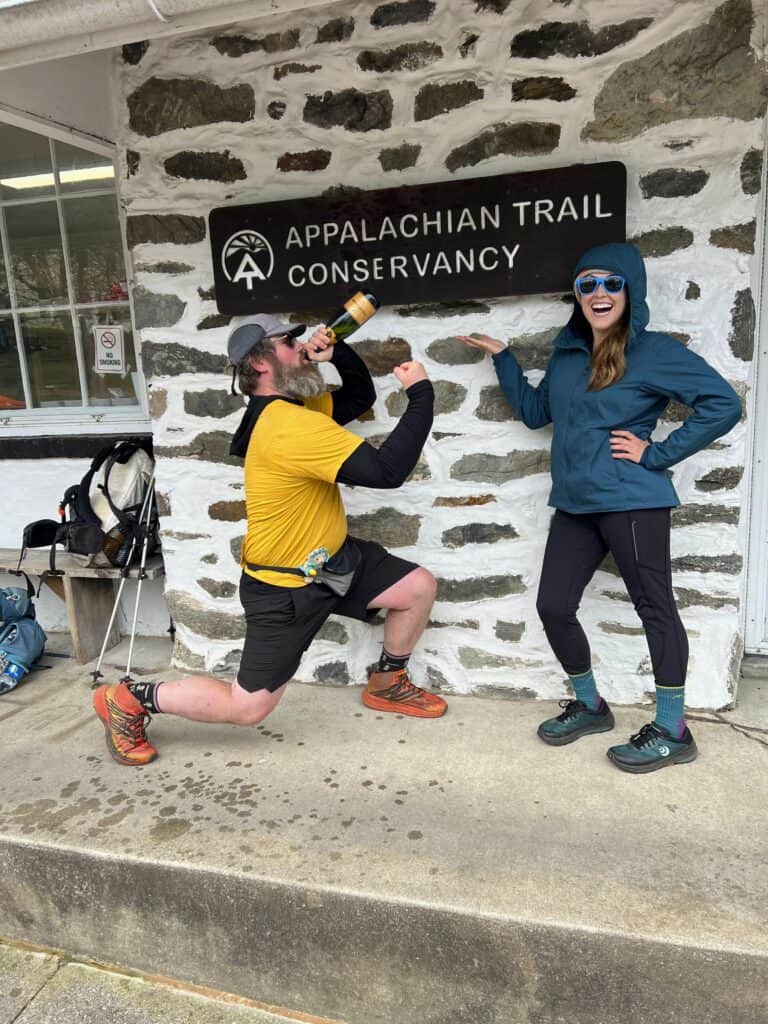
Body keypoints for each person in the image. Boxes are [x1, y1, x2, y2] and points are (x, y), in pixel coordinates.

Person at [94, 313, 446, 766]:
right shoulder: (286, 427)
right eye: (289, 342)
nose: (301, 347)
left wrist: (338, 353)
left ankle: (388, 681)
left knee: (416, 587)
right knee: (247, 708)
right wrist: (422, 394)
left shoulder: (294, 410)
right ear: (260, 364)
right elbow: (387, 472)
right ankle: (128, 699)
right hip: (283, 589)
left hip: (332, 562)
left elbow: (359, 396)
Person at [457, 241, 741, 774]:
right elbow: (538, 413)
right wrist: (503, 357)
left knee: (654, 608)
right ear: (579, 296)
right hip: (576, 503)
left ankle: (673, 730)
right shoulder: (566, 353)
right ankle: (590, 704)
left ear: (630, 290)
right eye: (588, 285)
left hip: (632, 500)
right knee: (553, 605)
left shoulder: (653, 351)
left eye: (611, 283)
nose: (599, 293)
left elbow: (723, 405)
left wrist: (657, 453)